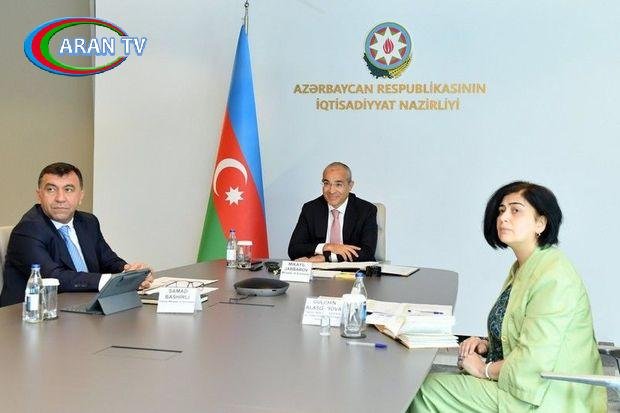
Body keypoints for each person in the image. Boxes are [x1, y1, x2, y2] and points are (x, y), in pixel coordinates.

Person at [410, 181, 606, 412]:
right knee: (428, 385)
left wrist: (482, 369)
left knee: (424, 393)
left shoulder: (554, 277)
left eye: (516, 210)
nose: (503, 217)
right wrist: (486, 344)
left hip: (544, 398)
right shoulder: (525, 267)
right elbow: (519, 327)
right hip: (526, 387)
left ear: (540, 223)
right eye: (502, 210)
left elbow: (534, 360)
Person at [0, 162, 153, 307]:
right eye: (51, 189)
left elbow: (108, 260)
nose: (60, 198)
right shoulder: (28, 229)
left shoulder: (88, 222)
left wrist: (130, 273)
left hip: (81, 308)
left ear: (80, 196)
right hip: (32, 316)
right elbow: (54, 277)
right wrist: (110, 280)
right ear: (39, 195)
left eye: (68, 189)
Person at [288, 162, 377, 262]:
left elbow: (367, 252)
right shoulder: (310, 209)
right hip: (318, 270)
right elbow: (294, 249)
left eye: (338, 184)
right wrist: (327, 246)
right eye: (326, 183)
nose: (331, 191)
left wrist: (327, 257)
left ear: (350, 186)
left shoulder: (366, 210)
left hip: (353, 270)